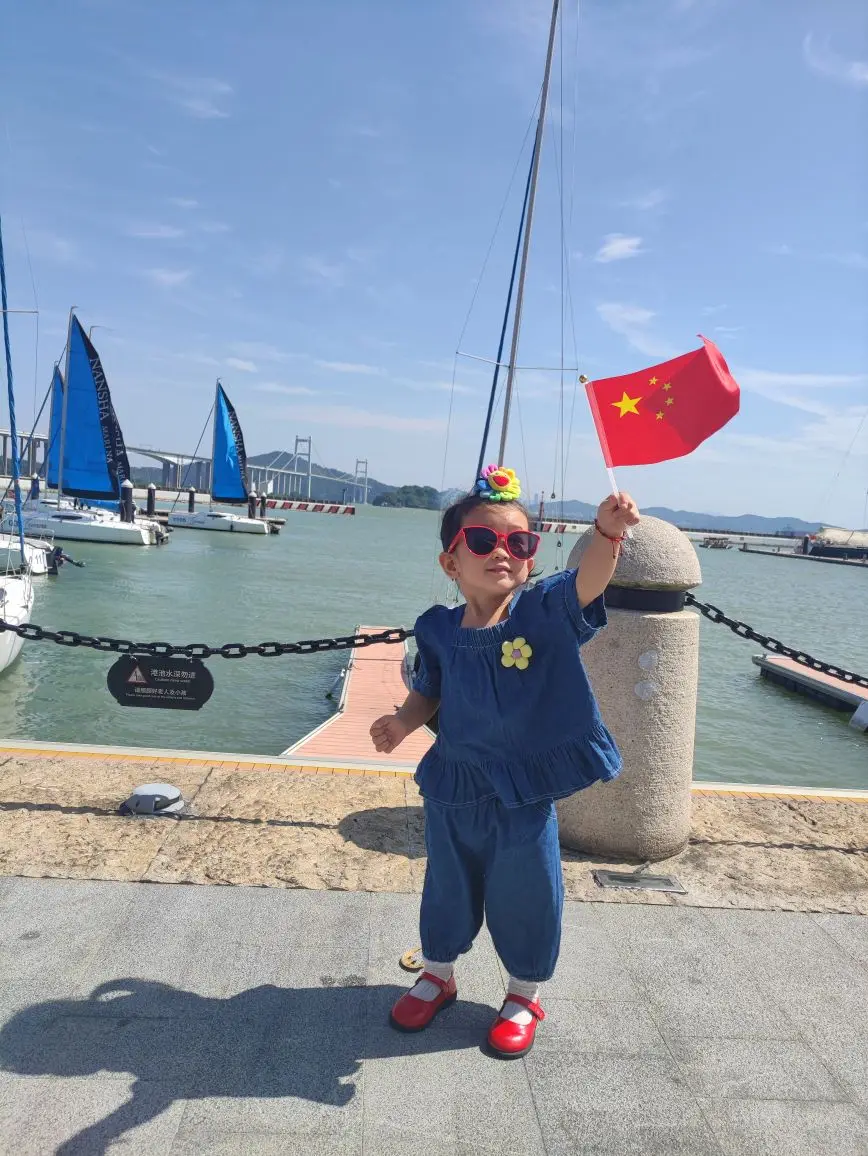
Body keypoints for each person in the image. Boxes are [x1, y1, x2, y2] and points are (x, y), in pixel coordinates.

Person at [370, 464, 639, 1058]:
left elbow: (588, 581)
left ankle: (523, 993)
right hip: (454, 782)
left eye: (518, 542)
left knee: (527, 888)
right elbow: (430, 689)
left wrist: (607, 533)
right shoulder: (436, 629)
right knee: (447, 883)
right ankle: (437, 973)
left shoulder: (541, 611)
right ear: (450, 562)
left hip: (523, 789)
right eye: (482, 539)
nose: (502, 551)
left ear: (530, 558)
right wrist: (404, 722)